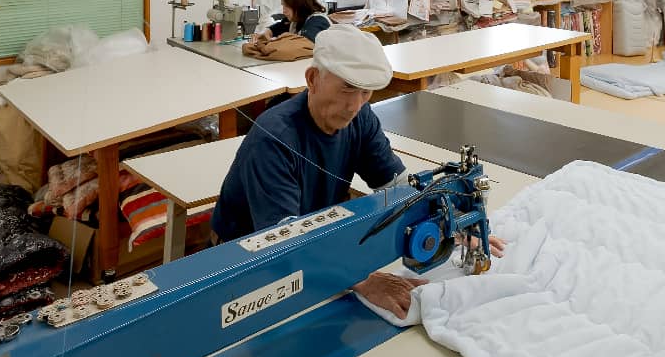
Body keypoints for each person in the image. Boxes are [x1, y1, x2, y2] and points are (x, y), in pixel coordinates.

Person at [211, 24, 503, 316]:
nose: (354, 104)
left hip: (316, 237)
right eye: (347, 88)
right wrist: (361, 278)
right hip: (245, 260)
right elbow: (285, 244)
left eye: (365, 92)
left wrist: (452, 223)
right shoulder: (273, 139)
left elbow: (399, 187)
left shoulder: (360, 117)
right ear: (312, 79)